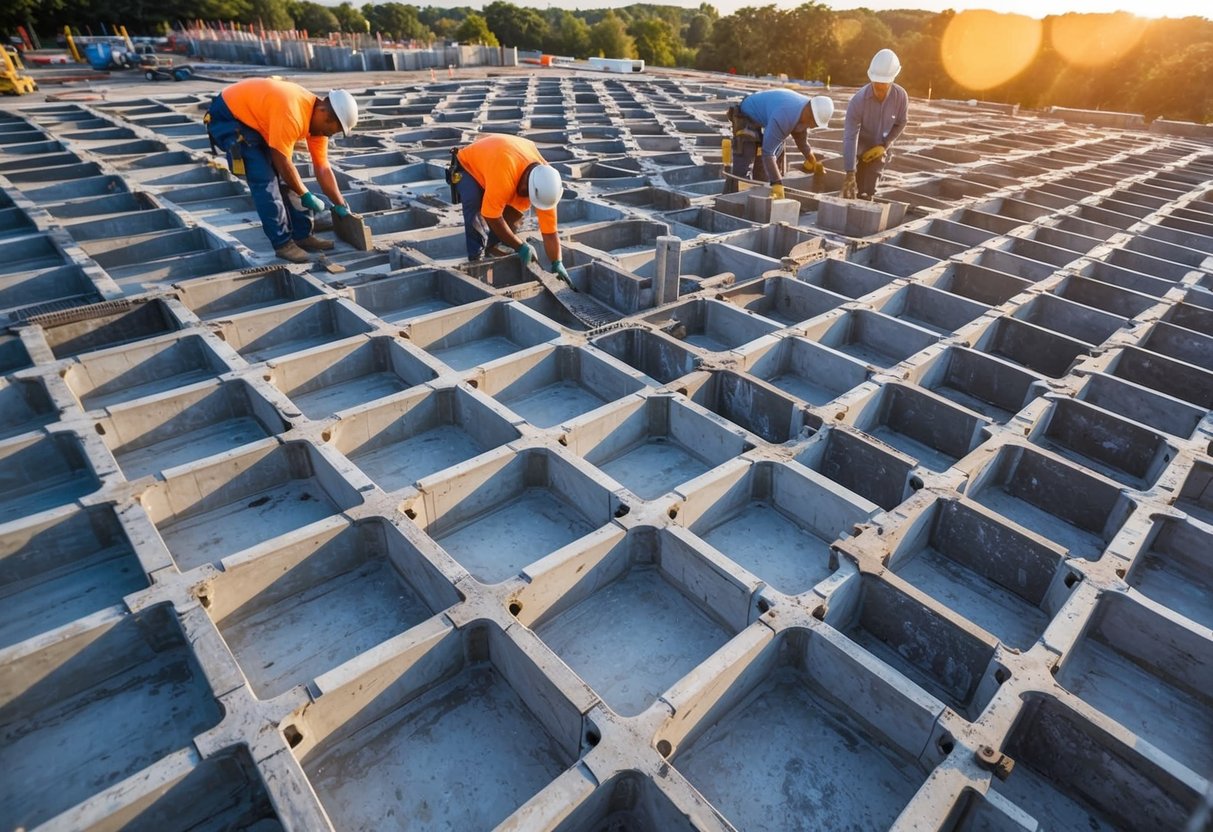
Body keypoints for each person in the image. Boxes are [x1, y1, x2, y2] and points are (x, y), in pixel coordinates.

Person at [205, 78, 358, 263]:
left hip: (258, 117)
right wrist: (305, 194)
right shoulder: (292, 113)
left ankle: (302, 235)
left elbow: (322, 167)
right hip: (230, 117)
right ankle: (283, 244)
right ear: (323, 111)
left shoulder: (319, 126)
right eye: (330, 129)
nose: (328, 135)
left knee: (290, 180)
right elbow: (282, 161)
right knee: (265, 180)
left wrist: (340, 204)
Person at [449, 133, 570, 284]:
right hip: (469, 165)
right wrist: (520, 246)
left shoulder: (546, 183)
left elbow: (550, 232)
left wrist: (557, 262)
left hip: (501, 159)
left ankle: (492, 245)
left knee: (515, 216)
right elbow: (491, 216)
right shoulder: (504, 176)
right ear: (528, 184)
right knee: (474, 205)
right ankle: (476, 258)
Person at [725, 89, 834, 199]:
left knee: (766, 168)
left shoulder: (804, 111)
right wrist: (777, 184)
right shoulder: (785, 116)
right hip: (748, 113)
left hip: (768, 114)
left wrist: (812, 160)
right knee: (743, 167)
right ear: (810, 115)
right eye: (814, 124)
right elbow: (767, 153)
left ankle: (760, 193)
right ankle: (737, 200)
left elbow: (802, 143)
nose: (812, 127)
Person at [842, 49, 909, 200]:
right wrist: (849, 171)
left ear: (892, 79)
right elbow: (850, 137)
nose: (878, 89)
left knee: (869, 189)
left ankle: (867, 199)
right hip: (859, 147)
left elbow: (901, 122)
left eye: (882, 85)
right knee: (855, 186)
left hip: (880, 147)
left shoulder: (900, 97)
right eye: (875, 84)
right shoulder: (858, 101)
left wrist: (885, 145)